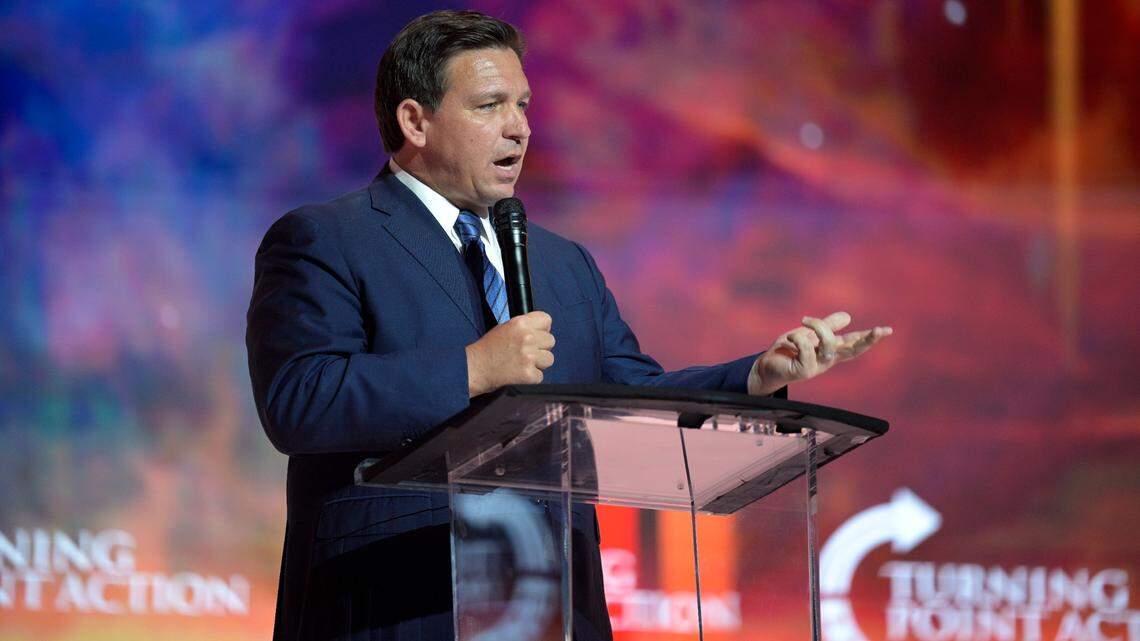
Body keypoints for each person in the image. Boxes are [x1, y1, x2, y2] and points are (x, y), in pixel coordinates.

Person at [245, 10, 891, 641]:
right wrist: (473, 369)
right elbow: (300, 399)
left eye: (523, 106)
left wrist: (755, 375)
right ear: (415, 120)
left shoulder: (564, 264)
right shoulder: (327, 239)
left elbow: (635, 397)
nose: (519, 129)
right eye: (489, 106)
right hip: (394, 606)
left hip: (558, 609)